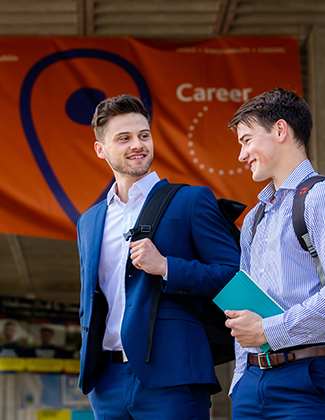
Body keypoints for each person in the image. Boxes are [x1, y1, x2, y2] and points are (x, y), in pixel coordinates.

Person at [77, 94, 240, 419]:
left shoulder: (191, 200)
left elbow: (234, 275)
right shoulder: (89, 221)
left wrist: (167, 267)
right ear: (100, 149)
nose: (137, 145)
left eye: (143, 135)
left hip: (174, 378)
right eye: (124, 138)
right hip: (106, 382)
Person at [224, 87, 325, 420]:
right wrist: (240, 380)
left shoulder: (323, 197)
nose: (242, 155)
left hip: (309, 378)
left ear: (279, 130)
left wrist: (269, 330)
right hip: (252, 382)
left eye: (246, 140)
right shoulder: (254, 219)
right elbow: (246, 310)